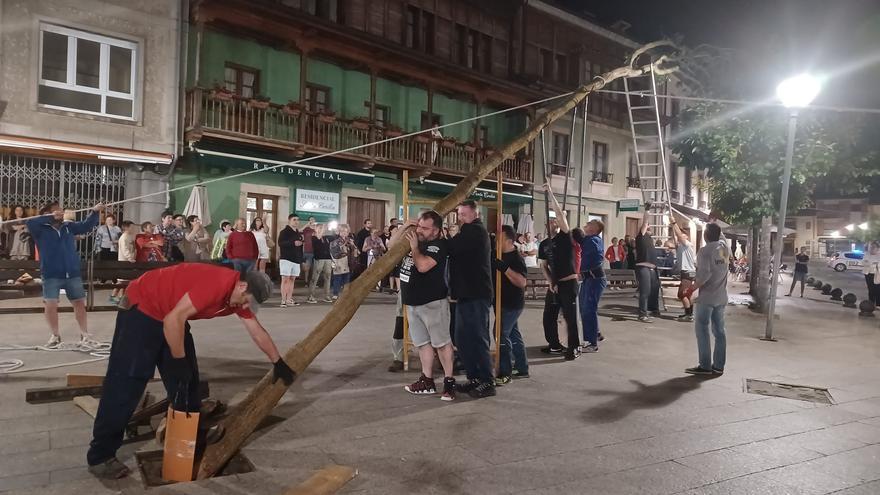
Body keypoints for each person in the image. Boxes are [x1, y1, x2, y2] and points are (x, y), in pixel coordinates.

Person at [85, 264, 294, 479]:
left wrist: (278, 362)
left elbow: (256, 331)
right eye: (247, 300)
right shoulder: (216, 285)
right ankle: (100, 455)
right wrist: (178, 361)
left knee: (188, 381)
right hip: (142, 309)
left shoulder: (238, 296)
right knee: (127, 383)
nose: (244, 306)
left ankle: (191, 433)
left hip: (170, 313)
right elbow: (173, 321)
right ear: (242, 286)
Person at [391, 212, 457, 400]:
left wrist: (414, 248)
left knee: (442, 343)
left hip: (432, 303)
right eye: (419, 226)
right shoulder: (417, 239)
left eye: (424, 228)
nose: (419, 230)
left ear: (436, 230)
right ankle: (427, 381)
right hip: (412, 302)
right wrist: (404, 227)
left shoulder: (438, 246)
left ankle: (448, 382)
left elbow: (423, 266)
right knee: (422, 343)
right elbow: (391, 246)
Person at [27, 202, 104, 348]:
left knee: (79, 303)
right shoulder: (39, 229)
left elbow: (86, 226)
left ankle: (84, 334)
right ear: (48, 214)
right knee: (50, 304)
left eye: (61, 211)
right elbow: (30, 221)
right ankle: (55, 335)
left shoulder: (68, 227)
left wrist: (94, 212)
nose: (61, 213)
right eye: (56, 211)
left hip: (72, 272)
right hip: (51, 273)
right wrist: (48, 218)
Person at [448, 200, 496, 398]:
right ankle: (474, 377)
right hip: (466, 294)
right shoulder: (467, 231)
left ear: (475, 214)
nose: (460, 218)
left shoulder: (475, 231)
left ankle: (487, 381)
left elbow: (451, 247)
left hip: (477, 294)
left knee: (477, 338)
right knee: (462, 338)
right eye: (459, 214)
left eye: (463, 214)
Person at [538, 184, 580, 360]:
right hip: (554, 286)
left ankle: (574, 347)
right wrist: (550, 282)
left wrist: (550, 194)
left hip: (568, 283)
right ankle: (554, 344)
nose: (553, 223)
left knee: (570, 317)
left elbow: (561, 215)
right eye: (549, 221)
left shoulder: (565, 237)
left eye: (554, 221)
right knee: (548, 316)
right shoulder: (544, 244)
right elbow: (543, 266)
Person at [685, 223, 730, 375]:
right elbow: (721, 238)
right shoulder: (724, 248)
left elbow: (704, 275)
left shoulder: (704, 251)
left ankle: (705, 365)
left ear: (705, 235)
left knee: (702, 329)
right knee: (719, 331)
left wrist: (691, 289)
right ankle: (718, 366)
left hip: (707, 297)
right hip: (721, 296)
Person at [494, 225, 529, 384]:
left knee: (500, 334)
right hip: (500, 302)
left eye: (499, 238)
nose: (496, 240)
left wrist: (505, 269)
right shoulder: (496, 254)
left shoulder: (516, 258)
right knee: (513, 334)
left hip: (512, 304)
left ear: (508, 240)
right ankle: (522, 368)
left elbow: (521, 282)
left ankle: (505, 373)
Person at [579, 218, 606, 353]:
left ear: (595, 229)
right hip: (589, 279)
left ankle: (591, 343)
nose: (586, 224)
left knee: (588, 309)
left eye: (589, 224)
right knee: (585, 308)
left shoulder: (593, 240)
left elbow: (588, 258)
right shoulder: (589, 240)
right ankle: (595, 333)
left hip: (594, 279)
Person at [635, 204, 661, 322]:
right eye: (648, 227)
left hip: (653, 269)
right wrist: (647, 210)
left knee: (654, 290)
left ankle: (654, 309)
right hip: (643, 267)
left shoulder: (650, 239)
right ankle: (642, 314)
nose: (649, 227)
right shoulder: (641, 236)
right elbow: (645, 222)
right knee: (645, 291)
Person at [671, 217, 697, 322]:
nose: (680, 236)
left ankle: (688, 315)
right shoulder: (681, 246)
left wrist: (673, 222)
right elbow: (675, 238)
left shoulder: (687, 244)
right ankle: (690, 314)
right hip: (688, 272)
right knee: (688, 294)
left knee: (682, 294)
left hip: (687, 272)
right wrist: (673, 229)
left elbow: (678, 235)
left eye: (682, 235)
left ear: (686, 236)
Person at [278, 214, 304, 307]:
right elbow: (280, 243)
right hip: (286, 258)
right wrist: (293, 243)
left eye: (297, 220)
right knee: (285, 280)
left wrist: (301, 258)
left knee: (292, 280)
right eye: (294, 220)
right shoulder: (284, 232)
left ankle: (289, 299)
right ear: (289, 221)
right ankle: (283, 300)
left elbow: (300, 247)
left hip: (296, 259)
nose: (296, 221)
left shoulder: (298, 233)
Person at [307, 224, 333, 303]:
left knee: (328, 277)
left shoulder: (327, 238)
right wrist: (322, 229)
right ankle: (311, 295)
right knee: (315, 277)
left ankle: (327, 295)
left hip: (328, 259)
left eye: (322, 228)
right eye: (320, 228)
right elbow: (318, 239)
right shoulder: (314, 237)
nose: (322, 229)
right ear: (316, 229)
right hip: (319, 259)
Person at [330, 224, 356, 299]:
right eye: (342, 231)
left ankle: (346, 293)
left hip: (348, 261)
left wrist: (352, 245)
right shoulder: (335, 241)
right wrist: (342, 248)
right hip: (339, 261)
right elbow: (334, 252)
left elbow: (355, 250)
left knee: (347, 278)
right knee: (337, 278)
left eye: (346, 231)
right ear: (339, 232)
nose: (344, 233)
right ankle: (335, 293)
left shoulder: (350, 240)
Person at [863, 241, 880, 306]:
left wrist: (873, 264)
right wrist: (869, 263)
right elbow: (863, 262)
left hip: (877, 274)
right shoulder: (867, 254)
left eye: (873, 247)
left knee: (877, 289)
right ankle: (871, 303)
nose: (872, 249)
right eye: (871, 247)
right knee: (870, 289)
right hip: (868, 273)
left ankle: (878, 304)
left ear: (878, 248)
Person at [302, 216, 317, 282]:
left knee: (315, 269)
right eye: (310, 220)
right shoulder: (306, 229)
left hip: (316, 251)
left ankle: (313, 282)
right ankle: (306, 282)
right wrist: (306, 225)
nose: (312, 221)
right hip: (307, 251)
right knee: (307, 268)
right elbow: (299, 231)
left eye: (313, 219)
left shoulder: (317, 229)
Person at [387, 225, 401, 293]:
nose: (396, 231)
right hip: (390, 257)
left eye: (397, 230)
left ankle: (398, 288)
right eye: (395, 230)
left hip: (398, 257)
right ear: (391, 231)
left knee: (397, 273)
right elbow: (389, 247)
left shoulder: (399, 238)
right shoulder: (389, 238)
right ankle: (391, 288)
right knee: (391, 273)